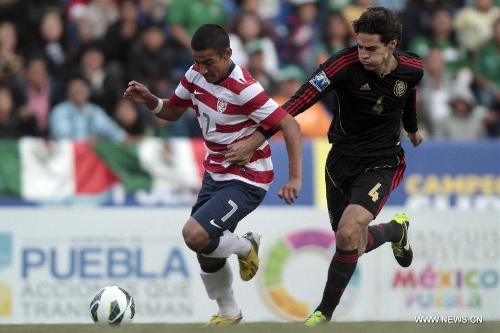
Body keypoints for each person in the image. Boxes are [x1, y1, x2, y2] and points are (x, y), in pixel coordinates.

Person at [225, 7, 424, 326]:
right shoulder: (343, 64)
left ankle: (323, 315)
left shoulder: (413, 67)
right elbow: (298, 101)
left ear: (392, 44)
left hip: (382, 160)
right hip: (340, 161)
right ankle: (395, 231)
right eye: (359, 46)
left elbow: (407, 94)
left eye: (371, 48)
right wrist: (257, 138)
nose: (363, 55)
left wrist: (412, 129)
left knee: (347, 230)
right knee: (350, 243)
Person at [123, 23, 302, 326]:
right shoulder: (194, 75)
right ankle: (229, 313)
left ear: (228, 54)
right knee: (205, 248)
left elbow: (290, 125)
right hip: (215, 172)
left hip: (248, 179)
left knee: (194, 234)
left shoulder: (243, 87)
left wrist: (295, 177)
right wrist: (152, 101)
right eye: (197, 61)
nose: (203, 69)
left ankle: (246, 246)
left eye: (209, 62)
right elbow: (173, 111)